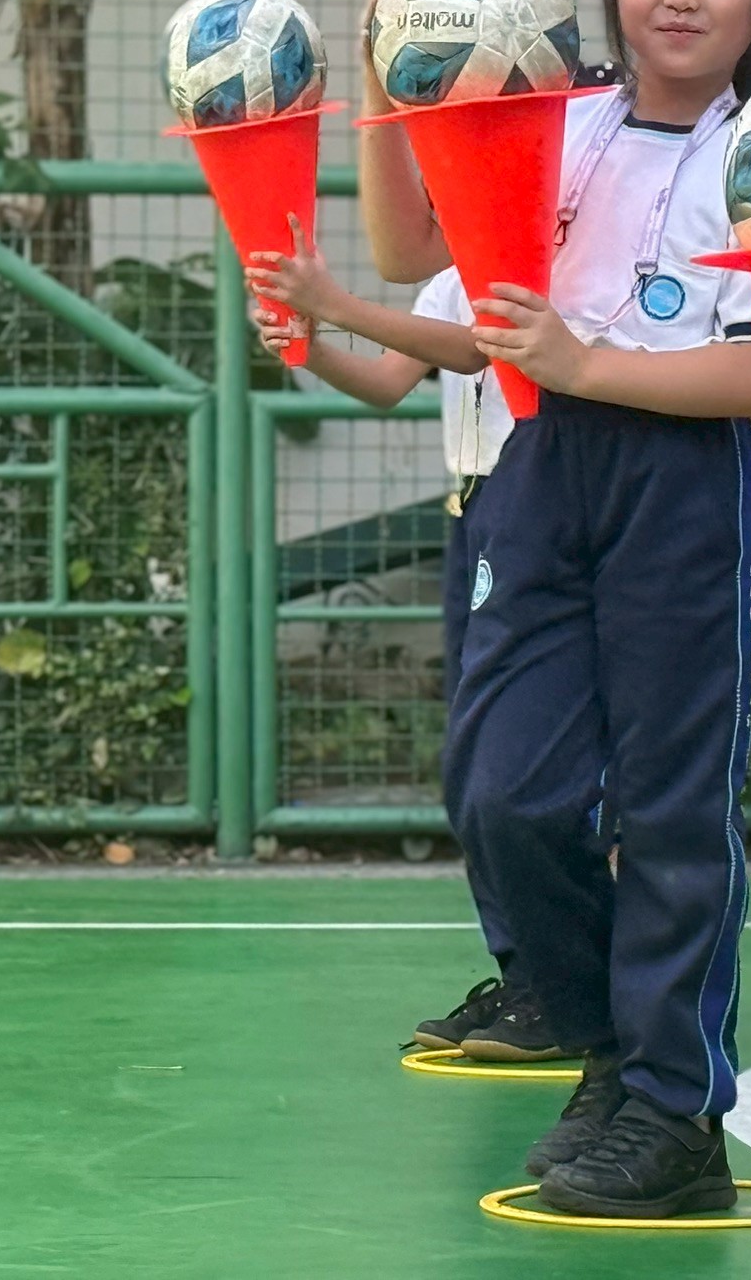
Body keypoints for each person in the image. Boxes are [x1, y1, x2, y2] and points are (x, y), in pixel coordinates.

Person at [356, 0, 751, 1219]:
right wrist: (387, 88)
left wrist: (590, 362)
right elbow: (405, 249)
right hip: (539, 466)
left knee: (671, 810)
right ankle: (611, 1040)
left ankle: (674, 1112)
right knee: (503, 789)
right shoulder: (560, 120)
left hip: (683, 476)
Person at [247, 235, 576, 1064]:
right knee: (470, 762)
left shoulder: (544, 266)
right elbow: (391, 382)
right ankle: (526, 973)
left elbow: (472, 348)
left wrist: (332, 305)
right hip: (471, 513)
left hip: (535, 505)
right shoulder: (448, 279)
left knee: (519, 765)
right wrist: (310, 346)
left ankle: (567, 983)